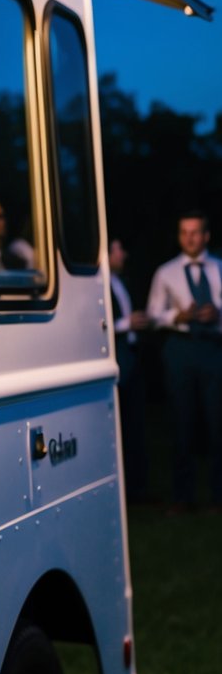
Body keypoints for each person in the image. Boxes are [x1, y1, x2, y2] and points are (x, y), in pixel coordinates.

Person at [146, 209, 222, 514]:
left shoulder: (219, 267)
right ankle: (182, 496)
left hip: (214, 349)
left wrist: (217, 315)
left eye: (195, 232)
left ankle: (218, 496)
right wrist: (175, 316)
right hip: (180, 349)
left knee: (218, 423)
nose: (190, 238)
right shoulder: (166, 272)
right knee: (182, 421)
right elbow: (152, 315)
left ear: (206, 235)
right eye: (184, 232)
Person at [109, 237, 151, 504]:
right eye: (120, 249)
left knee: (136, 424)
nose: (124, 255)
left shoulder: (122, 281)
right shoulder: (101, 284)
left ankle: (138, 488)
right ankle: (126, 490)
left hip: (133, 356)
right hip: (118, 355)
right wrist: (126, 323)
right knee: (121, 425)